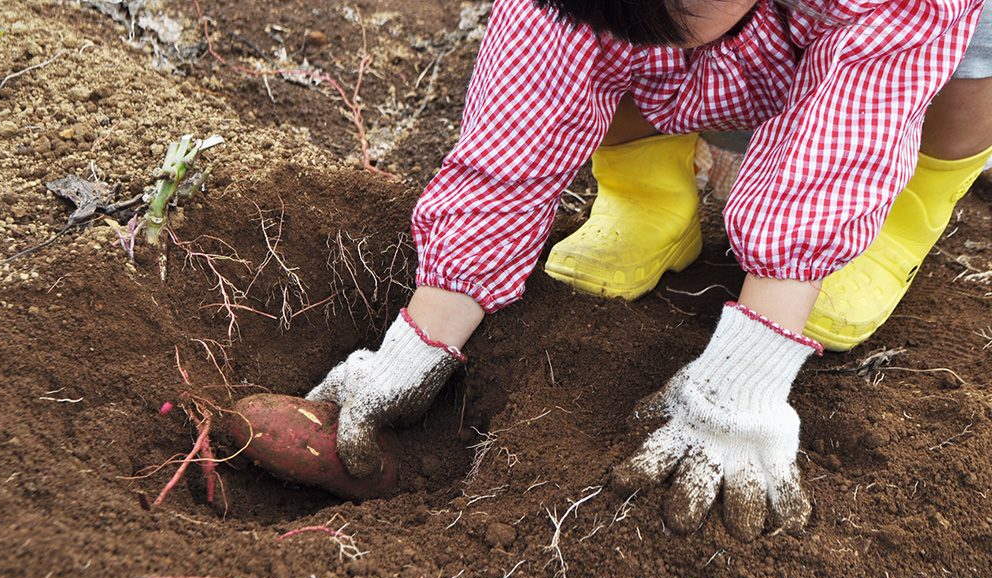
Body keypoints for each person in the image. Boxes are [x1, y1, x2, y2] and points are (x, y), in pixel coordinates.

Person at [306, 0, 988, 540]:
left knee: (970, 67)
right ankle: (648, 194)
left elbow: (839, 143)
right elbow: (517, 139)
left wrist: (747, 378)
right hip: (745, 25)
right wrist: (416, 346)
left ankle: (902, 218)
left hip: (920, 33)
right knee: (606, 43)